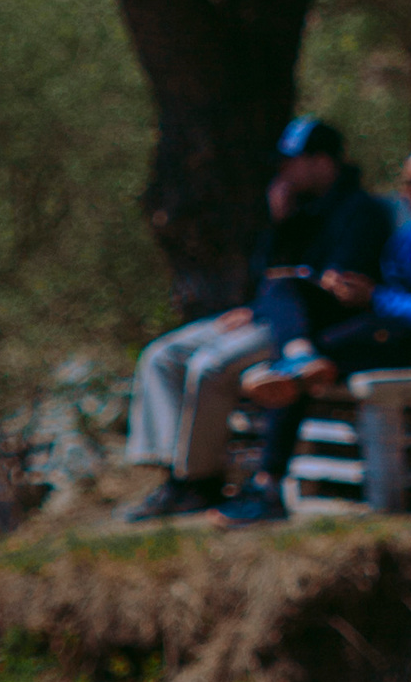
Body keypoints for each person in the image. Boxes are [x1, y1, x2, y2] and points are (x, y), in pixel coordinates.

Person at [222, 143, 411, 525]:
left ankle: (266, 484)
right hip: (391, 326)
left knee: (310, 365)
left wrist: (376, 297)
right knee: (287, 287)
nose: (406, 192)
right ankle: (299, 355)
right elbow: (390, 281)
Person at [122, 118, 391, 522]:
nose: (284, 172)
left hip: (301, 328)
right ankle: (171, 473)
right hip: (262, 313)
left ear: (322, 162)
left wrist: (281, 278)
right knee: (162, 355)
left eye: (292, 162)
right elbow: (267, 274)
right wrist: (278, 228)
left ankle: (199, 482)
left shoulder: (361, 212)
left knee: (211, 366)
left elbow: (334, 290)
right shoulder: (295, 209)